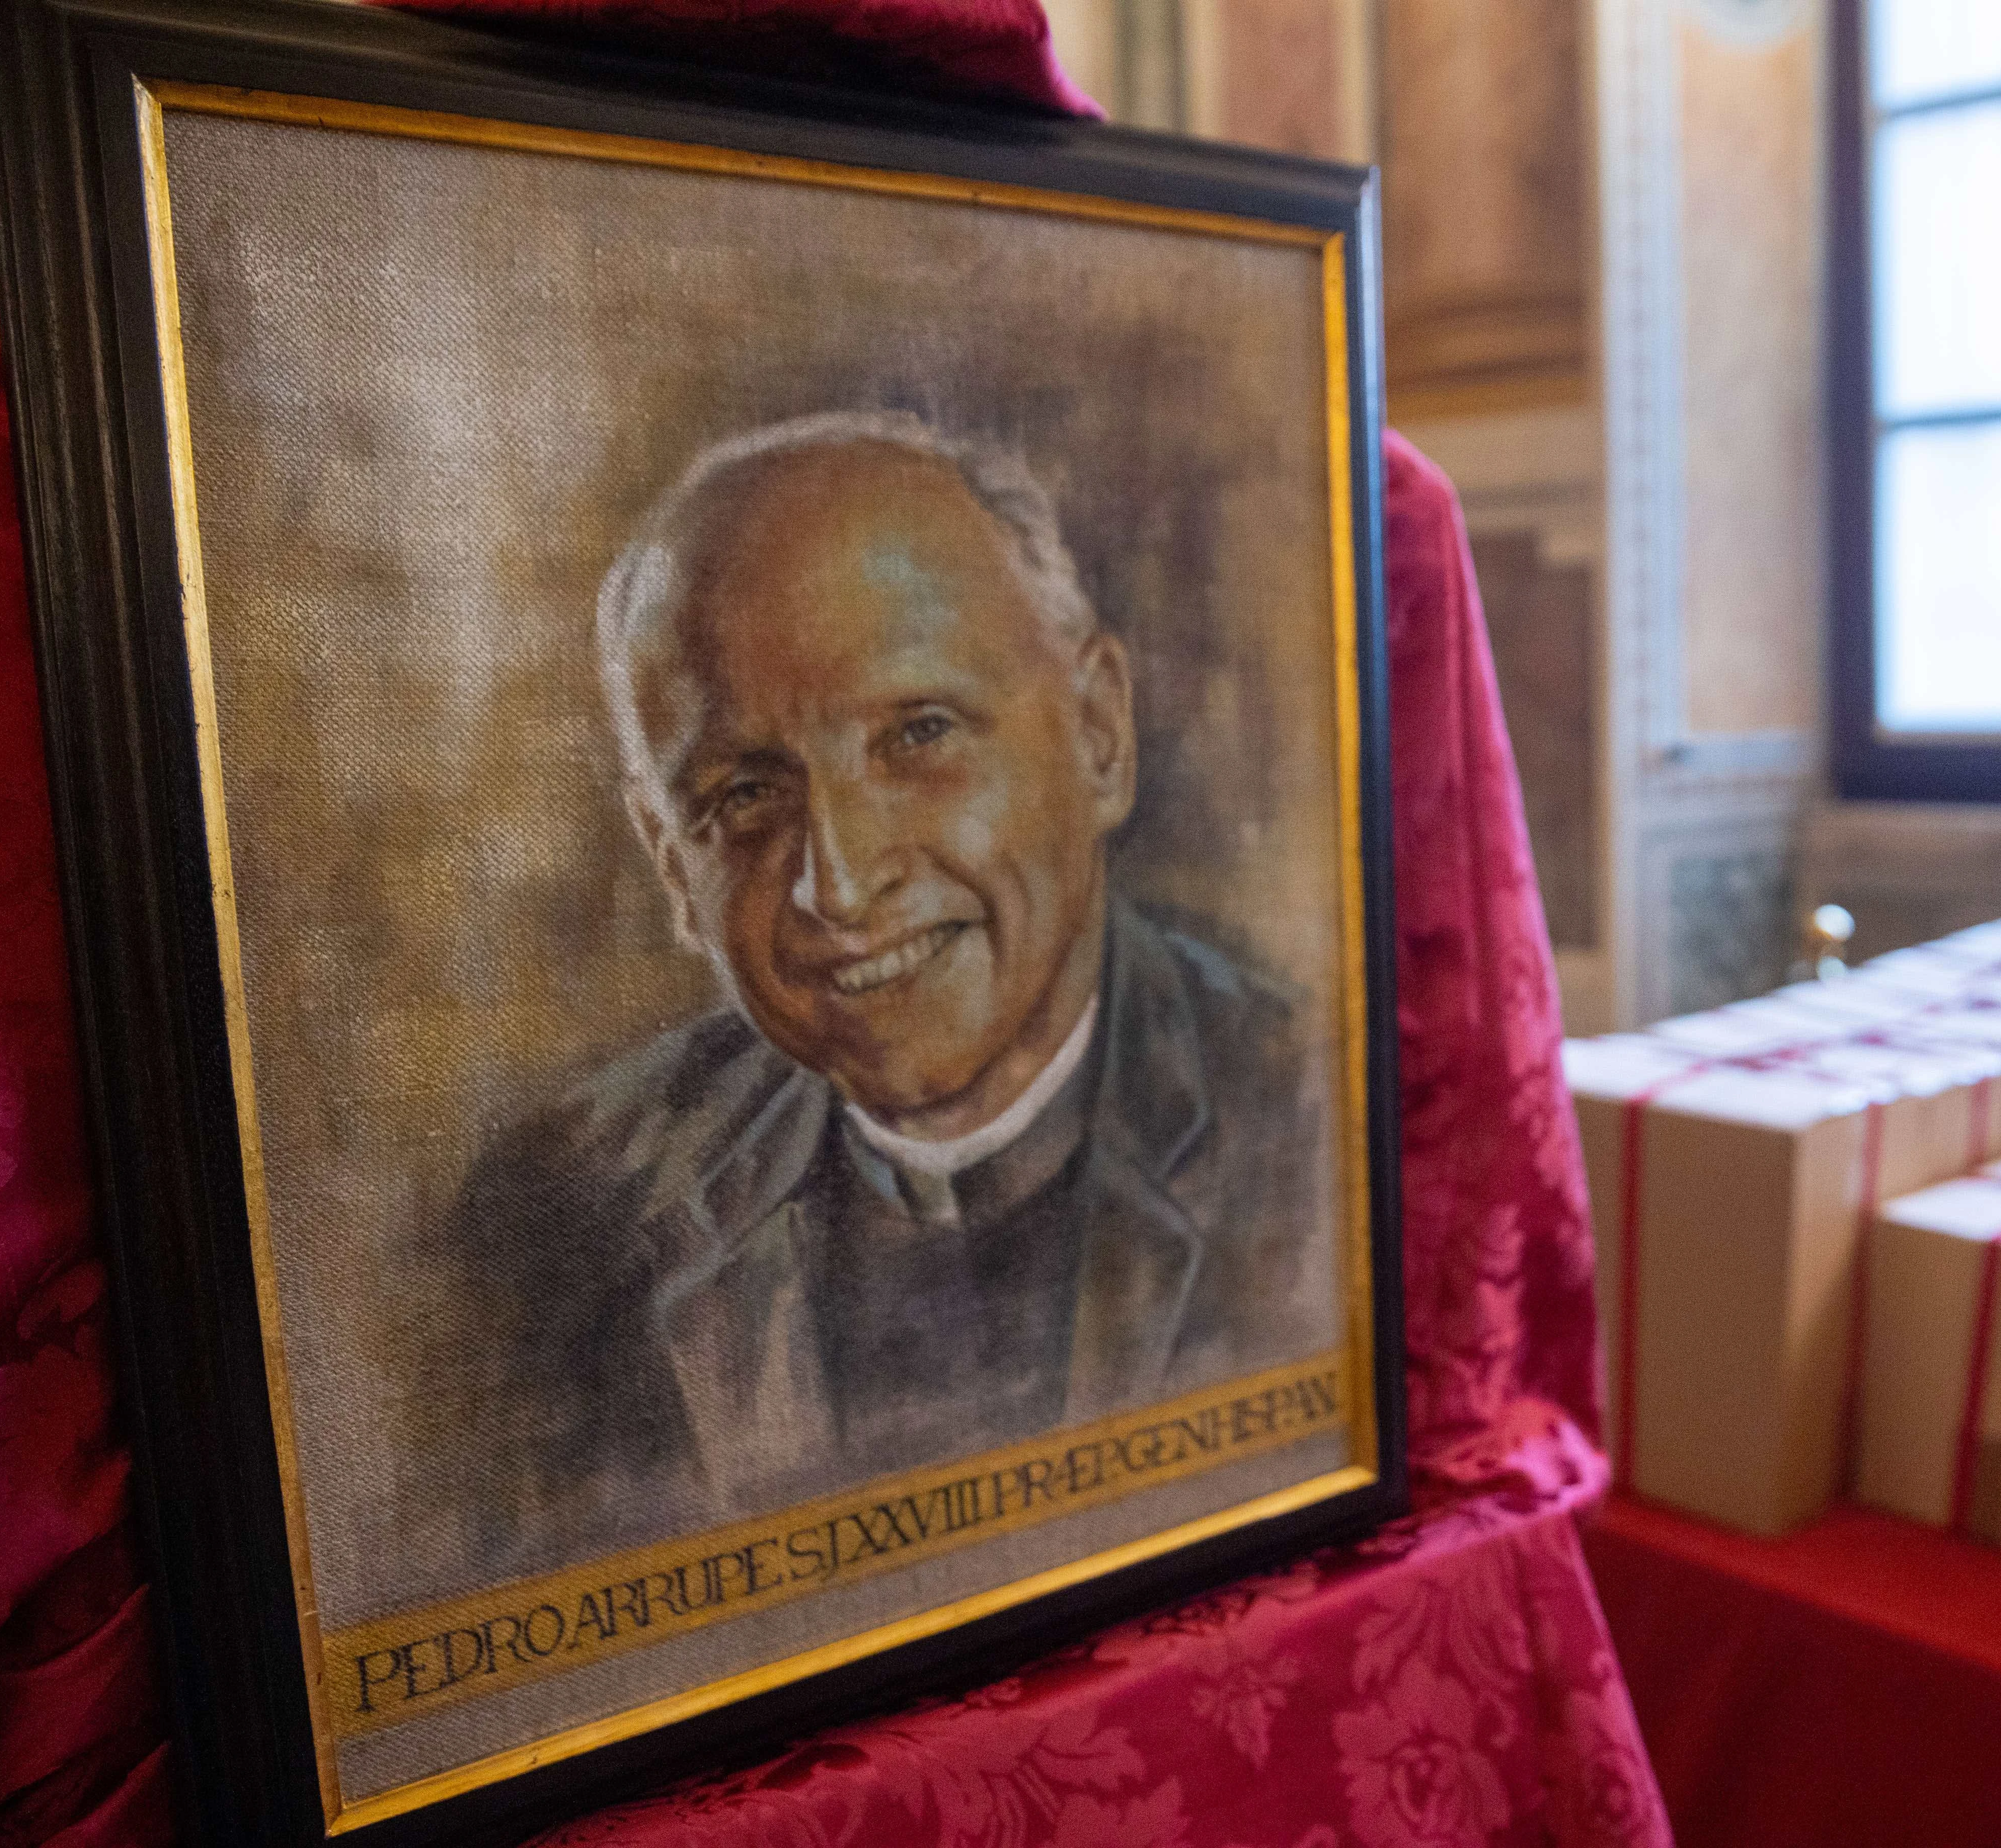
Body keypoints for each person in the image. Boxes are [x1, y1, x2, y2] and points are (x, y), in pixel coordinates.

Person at [407, 411, 1328, 1582]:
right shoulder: (550, 1232)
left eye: (918, 735)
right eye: (745, 796)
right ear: (669, 863)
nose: (837, 884)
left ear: (1098, 733)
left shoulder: (1312, 1110)